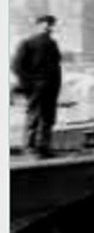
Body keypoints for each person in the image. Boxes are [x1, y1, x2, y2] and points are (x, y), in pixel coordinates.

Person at [12, 14, 63, 157]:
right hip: (36, 88)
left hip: (51, 88)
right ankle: (29, 147)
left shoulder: (52, 44)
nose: (48, 27)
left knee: (48, 118)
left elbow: (55, 67)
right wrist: (30, 83)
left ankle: (43, 148)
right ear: (38, 25)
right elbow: (16, 66)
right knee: (33, 117)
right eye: (45, 24)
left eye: (51, 24)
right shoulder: (27, 43)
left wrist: (56, 87)